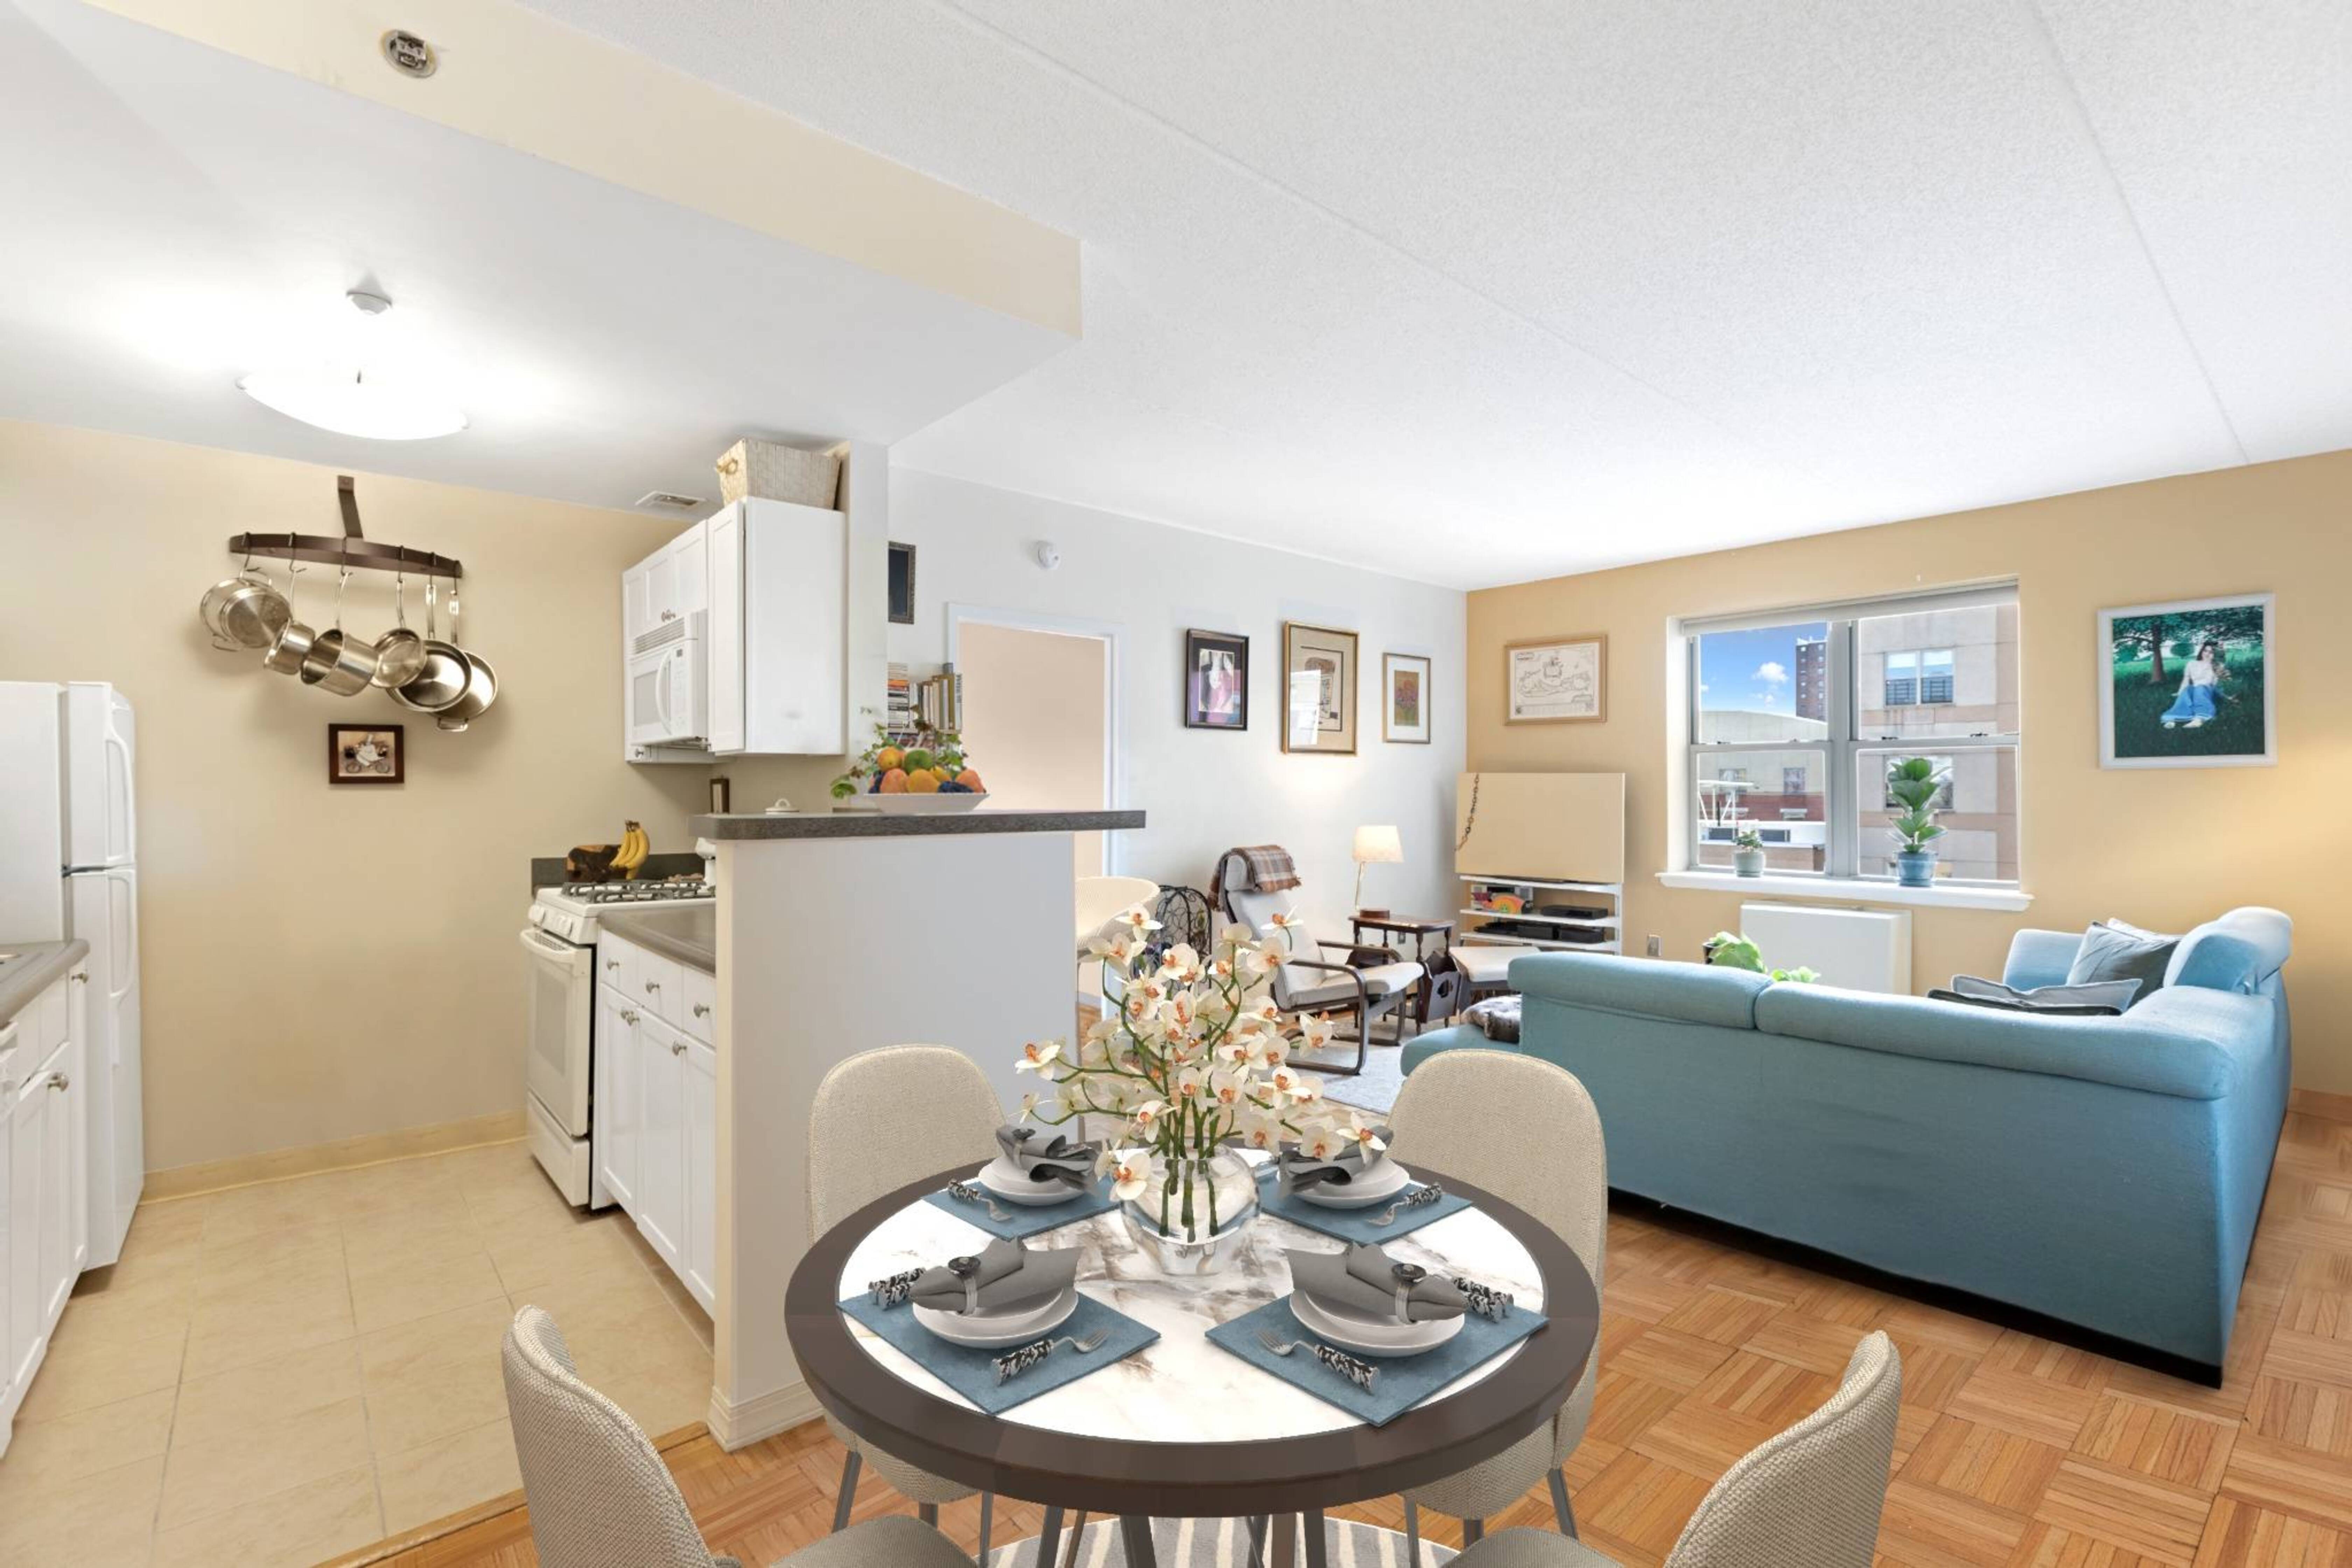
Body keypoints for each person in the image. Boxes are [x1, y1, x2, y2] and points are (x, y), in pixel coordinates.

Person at [2161, 639, 2226, 729]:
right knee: (2188, 690)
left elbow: (2215, 684)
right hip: (2195, 690)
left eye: (2211, 652)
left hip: (2209, 690)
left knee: (2200, 688)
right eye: (2205, 651)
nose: (2207, 654)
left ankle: (2200, 719)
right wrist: (2180, 693)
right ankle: (2172, 720)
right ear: (2202, 651)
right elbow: (2186, 680)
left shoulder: (2217, 666)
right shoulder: (2192, 664)